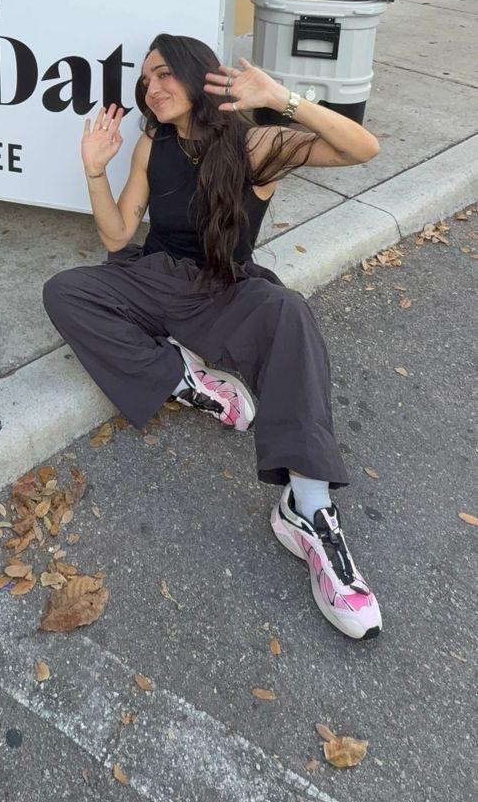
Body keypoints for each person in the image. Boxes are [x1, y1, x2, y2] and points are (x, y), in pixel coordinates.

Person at [42, 35, 383, 640]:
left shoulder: (256, 143)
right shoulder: (152, 144)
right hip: (155, 278)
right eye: (146, 79)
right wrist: (94, 170)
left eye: (165, 73)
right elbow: (118, 237)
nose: (152, 87)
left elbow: (363, 148)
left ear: (200, 76)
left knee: (288, 311)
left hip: (224, 289)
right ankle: (186, 380)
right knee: (66, 291)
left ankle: (308, 508)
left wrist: (282, 98)